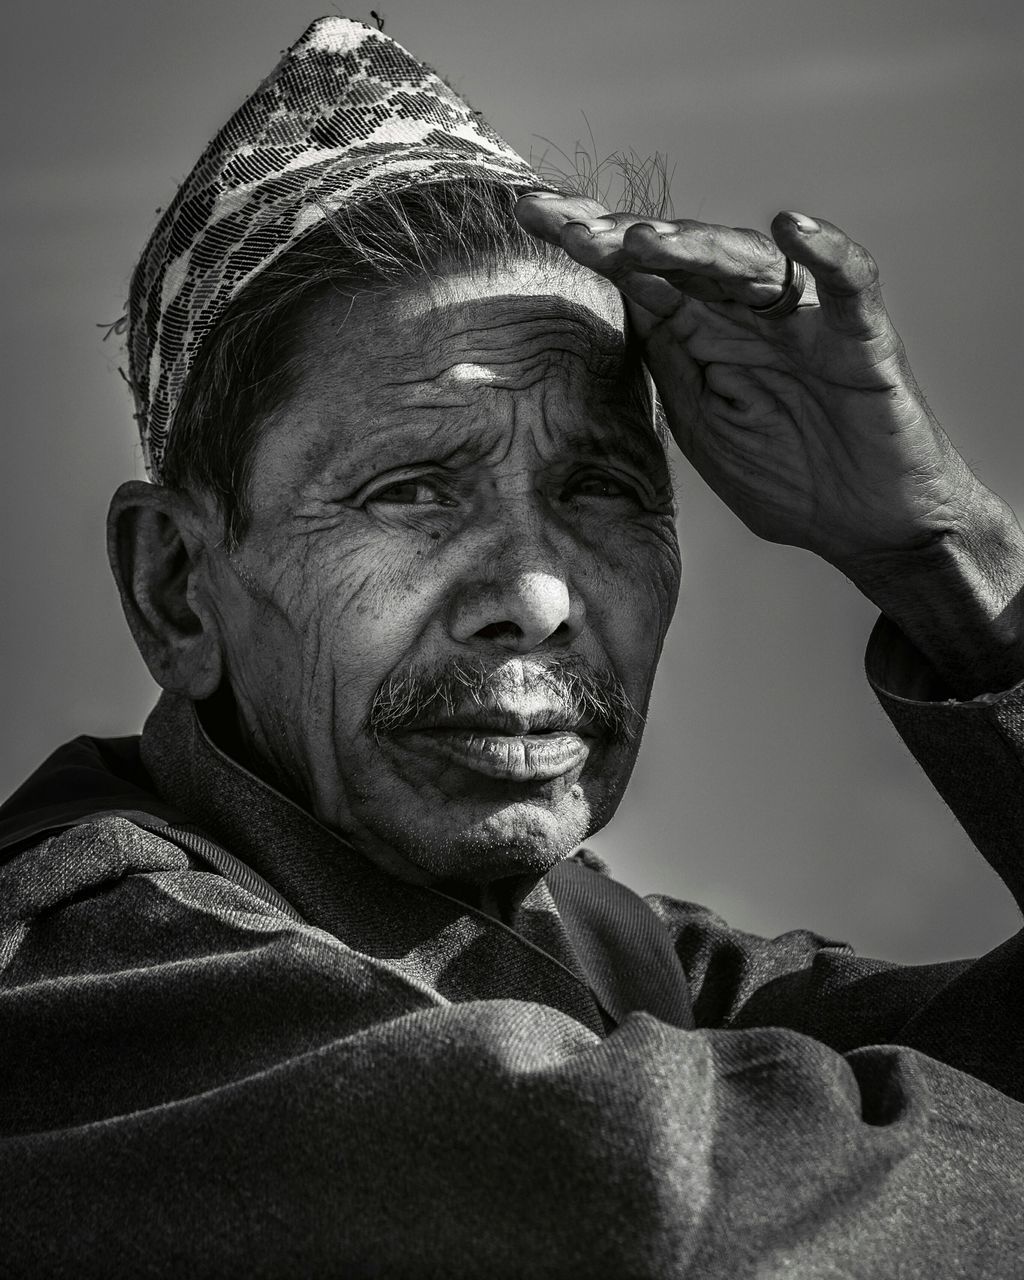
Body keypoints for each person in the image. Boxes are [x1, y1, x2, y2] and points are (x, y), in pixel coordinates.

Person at [1, 15, 1022, 1277]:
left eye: (600, 489)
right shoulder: (87, 964)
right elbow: (662, 1213)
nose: (537, 595)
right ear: (177, 587)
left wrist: (947, 556)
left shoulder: (625, 954)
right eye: (411, 491)